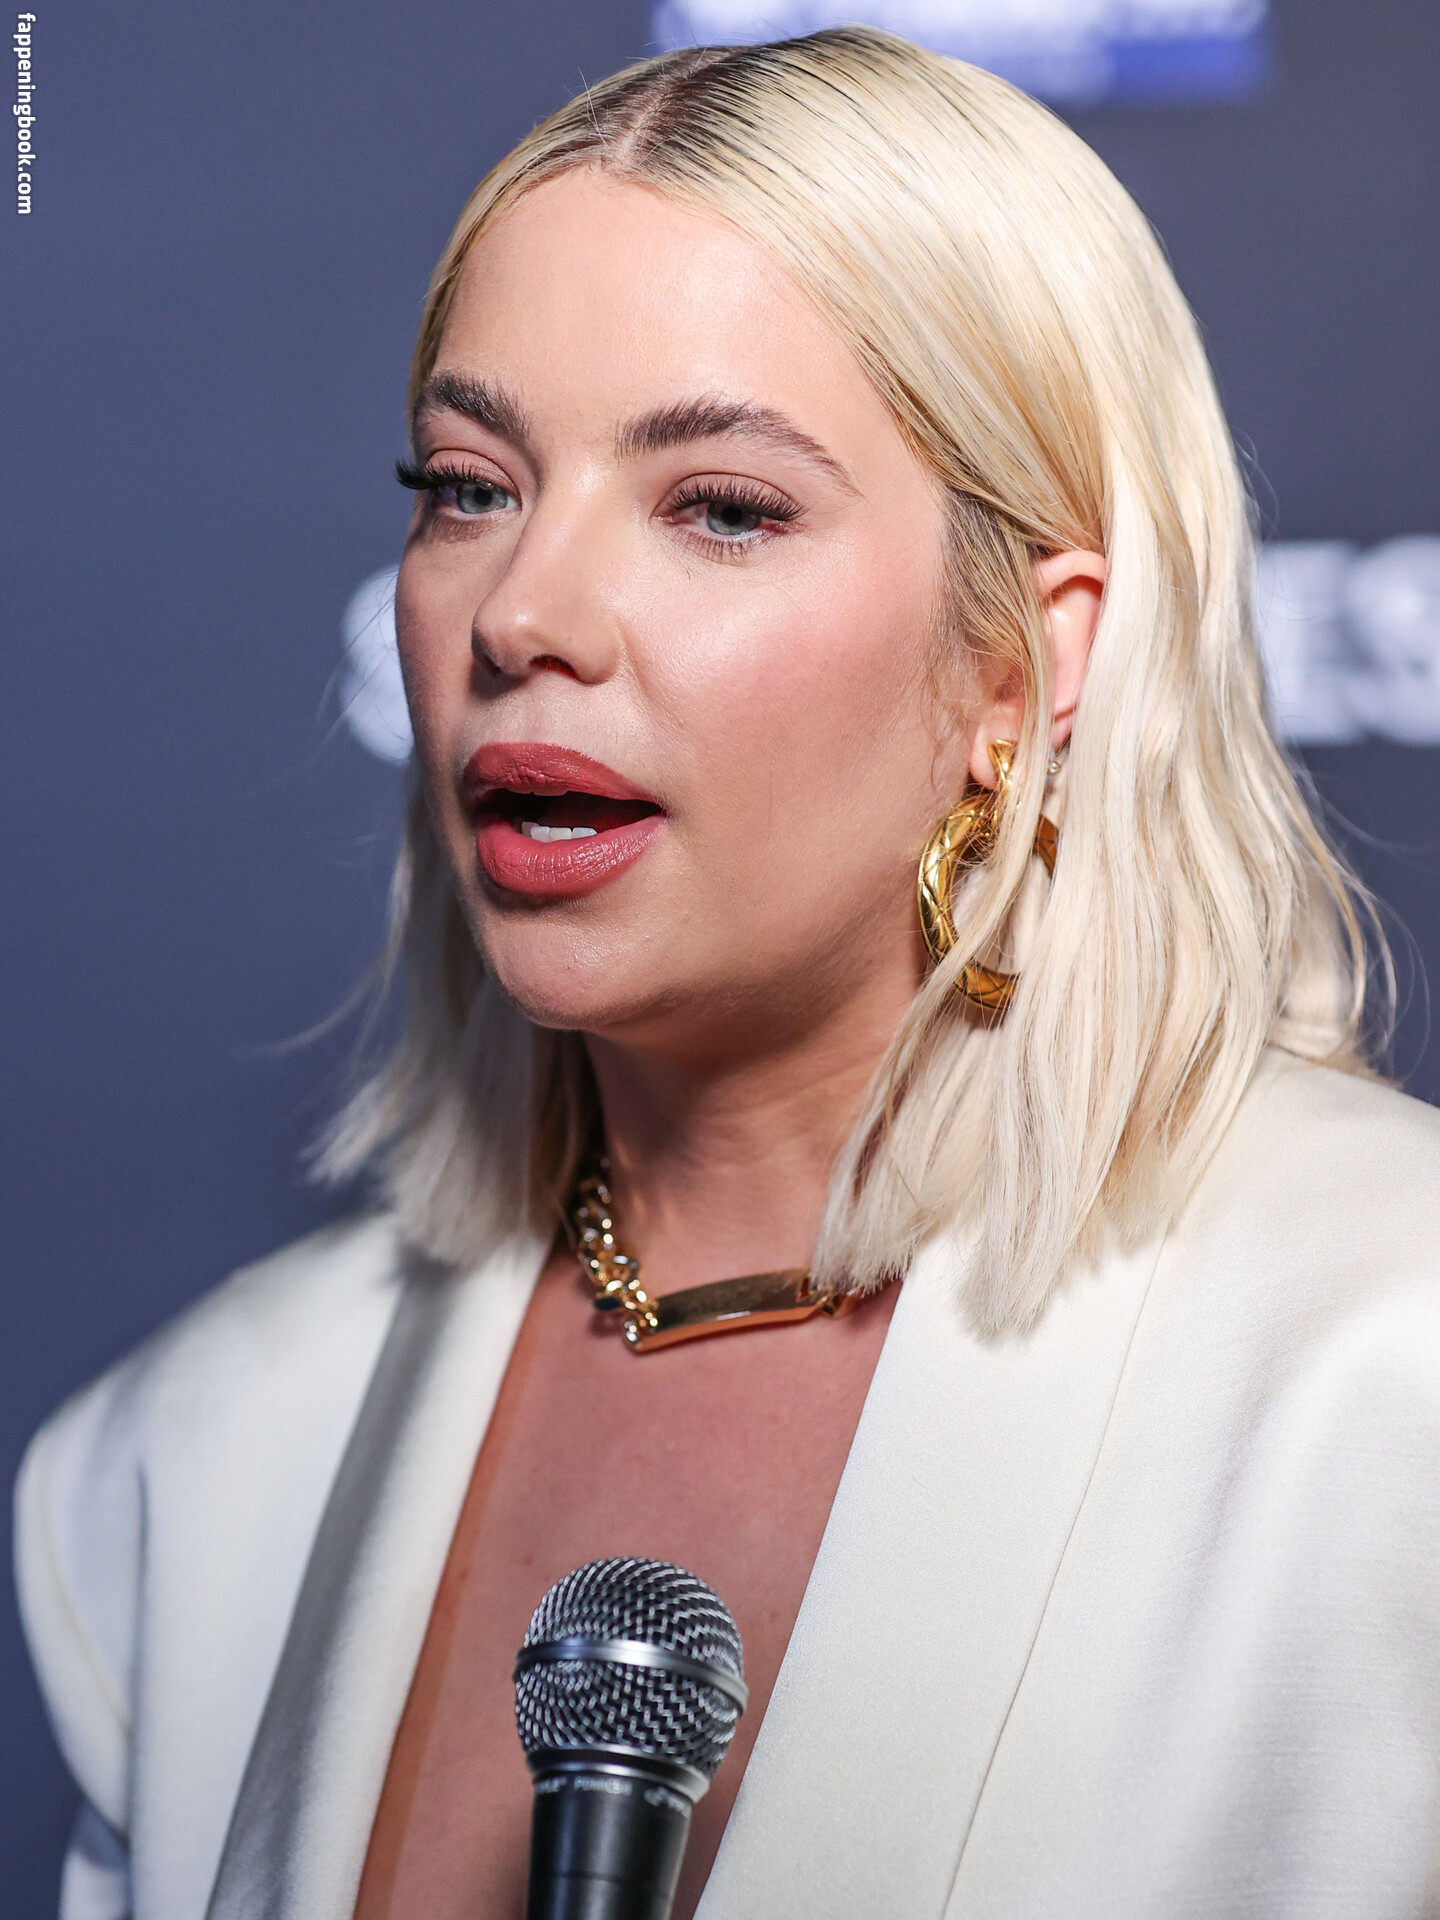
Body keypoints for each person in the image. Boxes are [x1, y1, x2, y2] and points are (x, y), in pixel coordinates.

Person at [16, 27, 1440, 1920]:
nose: (524, 612)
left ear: (1026, 662)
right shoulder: (177, 1480)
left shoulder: (1392, 1373)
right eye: (468, 486)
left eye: (722, 508)